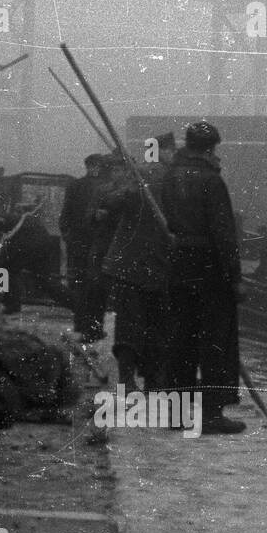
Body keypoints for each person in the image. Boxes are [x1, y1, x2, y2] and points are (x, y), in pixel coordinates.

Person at [160, 121, 246, 435]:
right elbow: (224, 234)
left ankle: (176, 414)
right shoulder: (212, 180)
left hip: (179, 264)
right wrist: (235, 278)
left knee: (180, 338)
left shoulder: (170, 177)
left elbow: (169, 221)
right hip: (210, 268)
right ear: (210, 148)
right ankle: (211, 413)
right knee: (216, 340)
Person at [102, 134, 174, 392]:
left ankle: (128, 379)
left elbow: (110, 201)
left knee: (130, 323)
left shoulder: (139, 175)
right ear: (166, 151)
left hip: (132, 264)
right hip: (157, 264)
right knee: (156, 326)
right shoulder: (171, 177)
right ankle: (151, 380)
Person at [59, 153, 116, 342]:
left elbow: (65, 215)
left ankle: (81, 325)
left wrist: (68, 236)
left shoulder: (75, 186)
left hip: (79, 243)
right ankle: (92, 328)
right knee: (95, 289)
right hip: (95, 244)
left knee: (80, 286)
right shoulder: (107, 187)